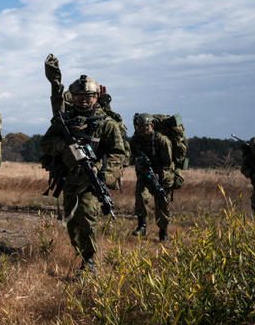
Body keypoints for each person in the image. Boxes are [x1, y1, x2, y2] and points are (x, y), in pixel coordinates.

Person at [40, 74, 127, 273]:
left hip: (92, 178)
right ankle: (80, 254)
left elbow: (117, 153)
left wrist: (105, 174)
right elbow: (45, 144)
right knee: (71, 221)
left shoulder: (106, 124)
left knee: (88, 218)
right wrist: (63, 147)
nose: (84, 99)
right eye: (79, 95)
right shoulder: (64, 120)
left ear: (96, 97)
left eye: (88, 95)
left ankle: (89, 261)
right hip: (69, 178)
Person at [130, 113, 174, 241]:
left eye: (145, 127)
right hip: (144, 175)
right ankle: (141, 226)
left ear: (152, 126)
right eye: (139, 127)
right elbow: (131, 157)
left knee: (162, 205)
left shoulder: (162, 140)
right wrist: (138, 162)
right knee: (140, 197)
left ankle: (163, 232)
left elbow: (168, 163)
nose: (143, 130)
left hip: (161, 176)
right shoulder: (135, 141)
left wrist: (160, 176)